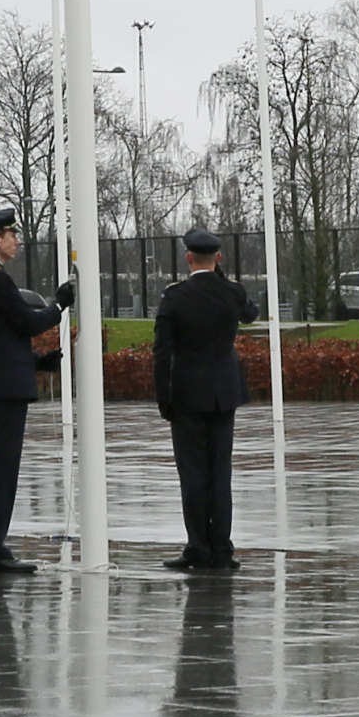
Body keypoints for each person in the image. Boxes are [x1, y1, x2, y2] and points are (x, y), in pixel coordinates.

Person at [0, 203, 67, 573]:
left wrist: (37, 362)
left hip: (0, 380)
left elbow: (2, 335)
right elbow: (25, 322)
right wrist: (59, 306)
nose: (17, 241)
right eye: (12, 235)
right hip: (3, 386)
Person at [151, 228, 253, 570]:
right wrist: (222, 278)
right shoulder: (231, 293)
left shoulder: (174, 297)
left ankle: (198, 547)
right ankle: (222, 549)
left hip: (187, 394)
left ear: (188, 258)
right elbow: (250, 312)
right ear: (219, 258)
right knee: (219, 473)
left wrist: (162, 395)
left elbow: (161, 351)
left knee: (193, 473)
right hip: (224, 392)